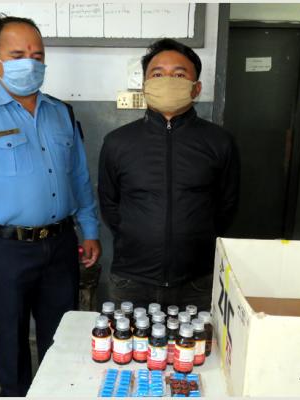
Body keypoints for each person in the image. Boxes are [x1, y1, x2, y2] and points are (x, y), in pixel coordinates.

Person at [0, 15, 101, 397]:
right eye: (16, 55)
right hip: (6, 250)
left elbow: (79, 177)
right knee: (11, 336)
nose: (29, 63)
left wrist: (90, 229)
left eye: (37, 55)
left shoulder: (61, 112)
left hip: (62, 245)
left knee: (62, 335)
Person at [98, 39, 240, 313]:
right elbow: (109, 204)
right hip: (131, 281)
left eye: (179, 74)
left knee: (196, 343)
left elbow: (227, 206)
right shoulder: (117, 142)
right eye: (158, 74)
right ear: (145, 85)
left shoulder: (220, 142)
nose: (167, 81)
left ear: (196, 88)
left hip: (197, 281)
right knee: (129, 342)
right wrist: (136, 234)